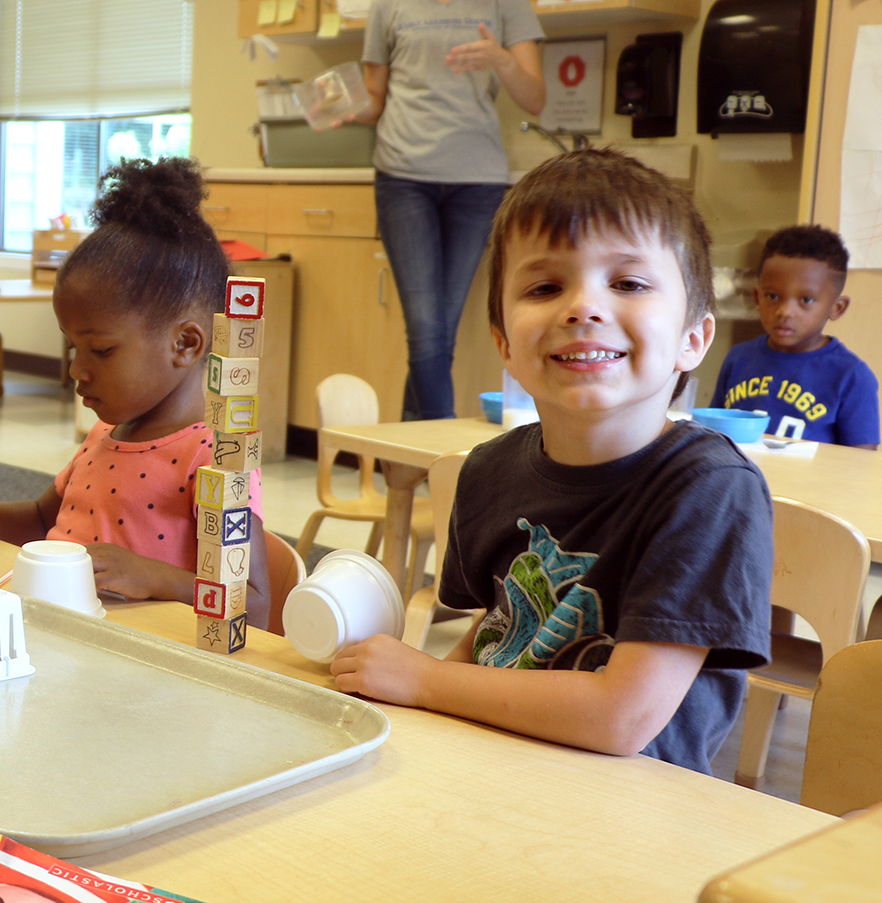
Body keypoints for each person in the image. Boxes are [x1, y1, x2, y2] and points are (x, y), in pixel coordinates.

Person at [330, 150, 773, 773]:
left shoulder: (710, 490)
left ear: (693, 339)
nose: (582, 307)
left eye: (628, 283)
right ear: (505, 344)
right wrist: (405, 703)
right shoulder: (488, 470)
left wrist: (425, 681)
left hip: (621, 812)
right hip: (494, 772)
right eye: (545, 287)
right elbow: (500, 634)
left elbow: (622, 717)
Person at [0, 158, 265, 614]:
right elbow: (43, 519)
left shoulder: (217, 456)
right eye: (74, 347)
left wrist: (155, 576)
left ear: (185, 344)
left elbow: (253, 603)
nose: (77, 369)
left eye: (101, 350)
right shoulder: (104, 435)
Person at [356, 0, 545, 420]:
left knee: (438, 330)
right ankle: (440, 458)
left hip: (476, 181)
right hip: (403, 176)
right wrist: (341, 108)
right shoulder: (389, 1)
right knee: (426, 329)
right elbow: (374, 99)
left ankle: (405, 457)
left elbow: (536, 98)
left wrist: (501, 60)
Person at [709, 225, 878, 450]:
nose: (785, 311)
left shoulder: (851, 376)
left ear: (837, 308)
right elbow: (713, 434)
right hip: (738, 482)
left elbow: (859, 465)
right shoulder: (738, 358)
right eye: (773, 296)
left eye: (806, 300)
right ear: (758, 298)